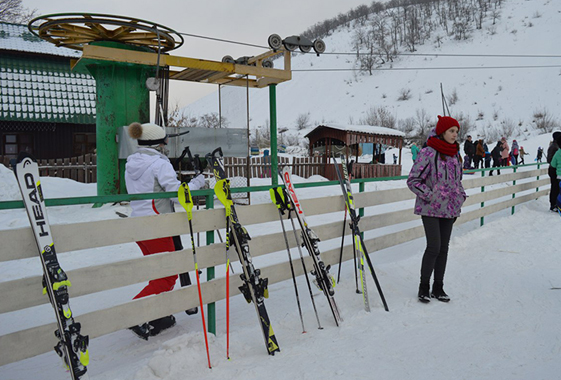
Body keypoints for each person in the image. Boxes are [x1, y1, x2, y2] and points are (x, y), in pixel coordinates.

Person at [125, 122, 205, 340]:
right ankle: (134, 314)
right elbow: (177, 195)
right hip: (158, 226)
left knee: (158, 272)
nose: (166, 145)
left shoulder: (132, 163)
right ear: (158, 143)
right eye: (164, 141)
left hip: (139, 225)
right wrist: (198, 182)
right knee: (168, 275)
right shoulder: (159, 164)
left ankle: (157, 315)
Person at [407, 115, 467, 303]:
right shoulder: (429, 152)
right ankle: (423, 286)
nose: (454, 135)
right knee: (434, 246)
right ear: (442, 132)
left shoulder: (456, 153)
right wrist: (430, 194)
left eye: (456, 132)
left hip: (449, 208)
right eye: (451, 131)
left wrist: (459, 195)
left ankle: (438, 287)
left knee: (444, 249)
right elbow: (413, 180)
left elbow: (458, 180)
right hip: (430, 208)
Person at [547, 131, 561, 212]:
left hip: (556, 170)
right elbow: (550, 160)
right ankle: (553, 204)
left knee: (557, 188)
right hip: (553, 170)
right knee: (555, 188)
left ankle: (556, 204)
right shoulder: (553, 147)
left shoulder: (556, 146)